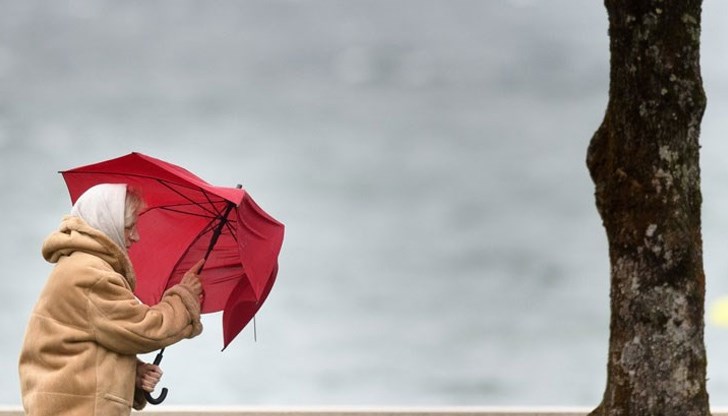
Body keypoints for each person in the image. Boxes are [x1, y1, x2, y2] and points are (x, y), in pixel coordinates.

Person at [19, 183, 205, 415]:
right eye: (129, 227)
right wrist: (184, 298)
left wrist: (133, 372)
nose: (136, 236)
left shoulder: (78, 265)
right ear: (107, 224)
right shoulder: (91, 274)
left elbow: (86, 343)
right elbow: (144, 329)